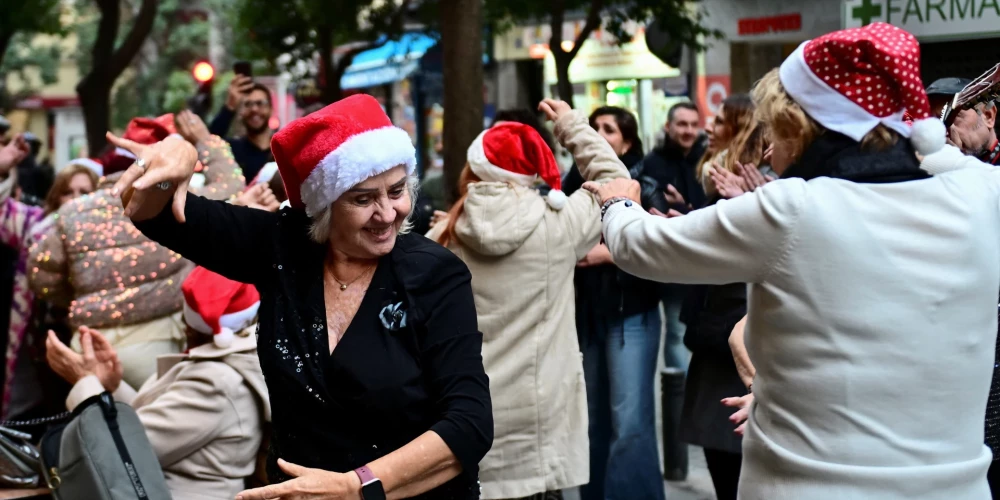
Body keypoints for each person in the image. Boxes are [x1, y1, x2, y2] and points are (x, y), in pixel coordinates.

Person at [586, 23, 996, 498]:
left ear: (802, 127)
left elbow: (640, 247)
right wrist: (917, 138)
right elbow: (950, 160)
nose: (766, 148)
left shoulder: (791, 208)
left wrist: (618, 201)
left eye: (773, 130)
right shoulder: (982, 194)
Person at [113, 94, 493, 500]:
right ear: (324, 206)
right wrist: (176, 156)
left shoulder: (435, 274)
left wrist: (355, 486)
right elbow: (153, 213)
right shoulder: (282, 245)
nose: (387, 213)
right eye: (362, 199)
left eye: (397, 191)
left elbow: (469, 424)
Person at [430, 99, 628, 500]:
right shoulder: (561, 226)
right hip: (540, 431)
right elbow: (615, 181)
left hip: (466, 422)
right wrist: (572, 126)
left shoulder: (442, 239)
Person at [28, 111, 244, 389]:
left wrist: (78, 295)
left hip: (88, 346)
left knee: (94, 423)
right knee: (151, 427)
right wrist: (205, 140)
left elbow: (39, 272)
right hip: (155, 344)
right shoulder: (173, 204)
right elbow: (231, 188)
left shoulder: (74, 210)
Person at [45, 266, 270, 500]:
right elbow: (152, 426)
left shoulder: (218, 381)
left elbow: (122, 452)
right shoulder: (217, 364)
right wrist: (109, 386)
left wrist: (86, 384)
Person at [557, 106, 664, 500]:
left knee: (630, 422)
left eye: (609, 130)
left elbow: (660, 244)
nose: (600, 136)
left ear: (627, 142)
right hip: (586, 315)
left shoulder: (643, 184)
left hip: (629, 314)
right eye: (594, 128)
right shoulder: (568, 185)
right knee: (593, 422)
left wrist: (609, 253)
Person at [208, 75, 274, 181]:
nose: (254, 109)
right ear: (240, 112)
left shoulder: (283, 149)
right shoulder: (233, 149)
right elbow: (209, 143)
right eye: (248, 104)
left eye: (260, 103)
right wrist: (230, 106)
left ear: (271, 109)